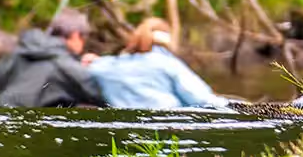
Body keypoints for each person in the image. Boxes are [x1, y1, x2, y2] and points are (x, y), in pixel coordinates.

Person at [86, 18, 232, 109]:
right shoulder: (168, 64)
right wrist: (232, 106)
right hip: (166, 127)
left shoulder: (105, 66)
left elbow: (89, 68)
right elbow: (201, 99)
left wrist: (94, 60)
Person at [0, 8, 106, 108]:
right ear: (75, 35)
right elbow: (102, 94)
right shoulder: (64, 65)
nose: (83, 43)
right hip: (25, 127)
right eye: (83, 37)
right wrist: (100, 65)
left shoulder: (21, 52)